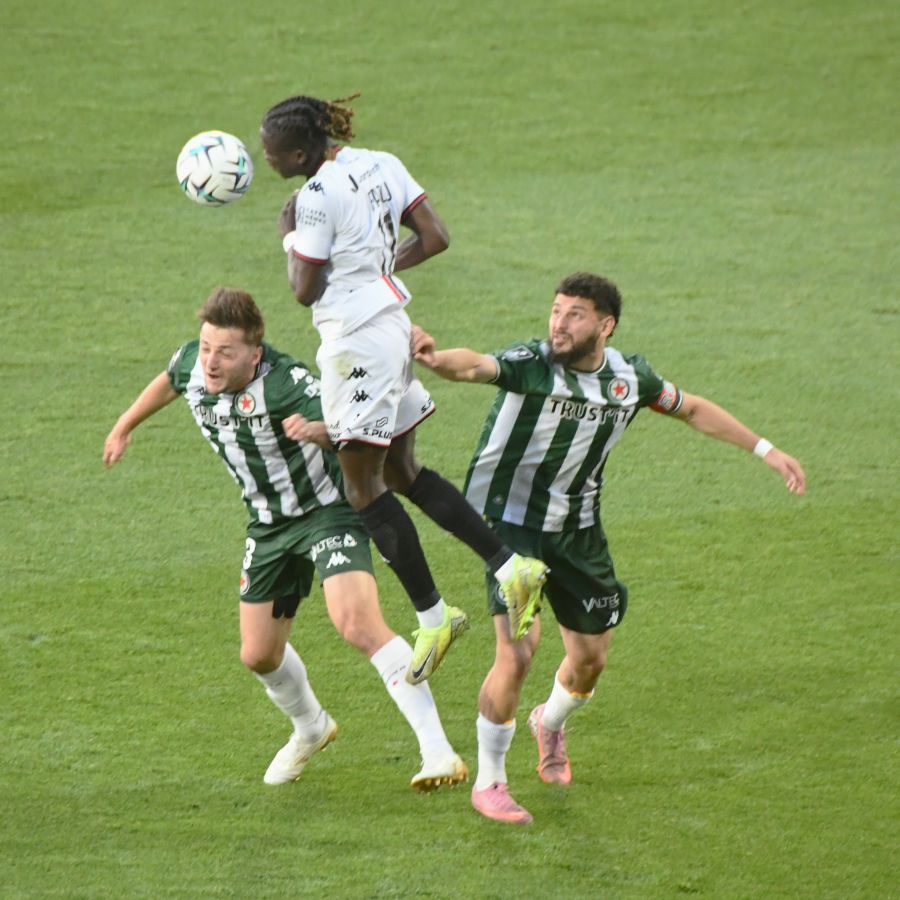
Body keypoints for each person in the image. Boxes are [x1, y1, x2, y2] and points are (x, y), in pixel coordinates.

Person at [411, 271, 807, 824]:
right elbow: (476, 366)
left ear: (606, 325)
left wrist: (766, 449)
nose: (559, 323)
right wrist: (434, 361)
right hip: (511, 527)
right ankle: (490, 781)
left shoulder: (629, 379)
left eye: (574, 315)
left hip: (579, 530)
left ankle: (549, 723)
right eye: (556, 310)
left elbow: (691, 408)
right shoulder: (532, 362)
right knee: (517, 652)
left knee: (590, 659)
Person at [103, 287, 467, 791]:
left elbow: (360, 428)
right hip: (268, 525)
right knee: (258, 655)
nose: (211, 361)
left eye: (224, 352)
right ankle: (311, 727)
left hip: (329, 511)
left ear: (255, 354)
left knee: (358, 623)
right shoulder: (192, 363)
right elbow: (170, 380)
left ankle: (438, 751)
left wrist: (320, 430)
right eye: (206, 347)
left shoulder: (288, 384)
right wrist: (125, 425)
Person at [259, 92, 548, 684]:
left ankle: (434, 618)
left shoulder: (314, 196)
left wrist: (289, 236)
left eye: (271, 153)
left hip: (355, 345)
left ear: (299, 153)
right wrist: (378, 272)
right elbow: (435, 236)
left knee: (362, 487)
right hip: (392, 325)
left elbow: (304, 289)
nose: (267, 161)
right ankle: (509, 567)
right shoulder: (381, 162)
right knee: (401, 471)